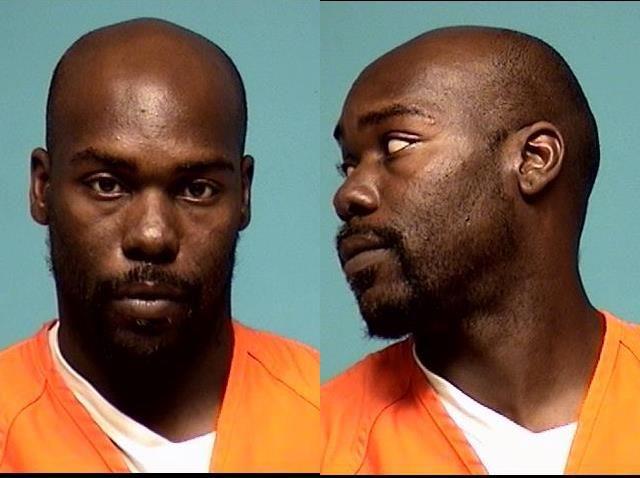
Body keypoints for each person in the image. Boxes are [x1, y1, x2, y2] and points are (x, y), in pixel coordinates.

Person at [0, 18, 318, 473]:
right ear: (42, 188)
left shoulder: (327, 419)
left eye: (197, 189)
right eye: (107, 185)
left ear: (243, 195)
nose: (152, 235)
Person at [322, 25, 639, 474]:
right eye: (348, 165)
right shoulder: (319, 442)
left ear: (534, 159)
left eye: (397, 144)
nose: (348, 195)